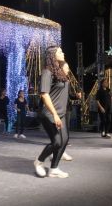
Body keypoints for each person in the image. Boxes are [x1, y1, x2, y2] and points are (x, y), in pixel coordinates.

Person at [34, 46, 70, 178]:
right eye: (60, 51)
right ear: (52, 55)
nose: (63, 52)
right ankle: (39, 161)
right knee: (57, 142)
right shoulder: (47, 71)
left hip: (61, 113)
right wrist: (55, 114)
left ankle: (54, 168)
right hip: (49, 113)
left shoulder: (60, 71)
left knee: (64, 140)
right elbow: (44, 94)